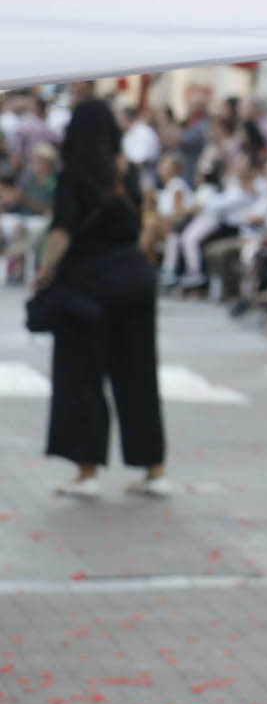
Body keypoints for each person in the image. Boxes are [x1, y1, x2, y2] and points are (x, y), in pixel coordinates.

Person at [39, 99, 168, 500]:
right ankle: (154, 468)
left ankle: (87, 469)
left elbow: (62, 230)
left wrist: (44, 272)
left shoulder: (74, 174)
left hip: (87, 283)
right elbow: (149, 223)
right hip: (133, 279)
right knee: (138, 375)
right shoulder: (126, 172)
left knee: (81, 378)